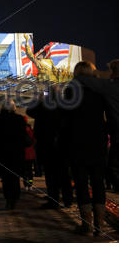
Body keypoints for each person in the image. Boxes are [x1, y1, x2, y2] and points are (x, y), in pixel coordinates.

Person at [62, 61, 108, 235]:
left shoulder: (70, 90)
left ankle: (86, 225)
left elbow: (65, 119)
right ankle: (100, 226)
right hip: (98, 141)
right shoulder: (100, 90)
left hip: (77, 142)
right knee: (98, 183)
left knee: (81, 183)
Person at [76, 59, 119, 192]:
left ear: (113, 72)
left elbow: (83, 78)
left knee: (114, 166)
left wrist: (90, 72)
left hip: (117, 131)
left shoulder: (110, 86)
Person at [26, 90, 73, 209]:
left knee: (50, 174)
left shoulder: (44, 105)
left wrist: (39, 100)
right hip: (62, 144)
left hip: (46, 144)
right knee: (64, 174)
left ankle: (54, 199)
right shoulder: (64, 105)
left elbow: (29, 111)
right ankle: (68, 199)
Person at [0, 99, 27, 210]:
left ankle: (8, 199)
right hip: (17, 153)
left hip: (3, 151)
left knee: (6, 178)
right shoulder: (20, 119)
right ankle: (15, 199)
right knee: (15, 178)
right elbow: (23, 135)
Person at [23, 117, 36, 190]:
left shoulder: (20, 130)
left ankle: (25, 185)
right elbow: (34, 140)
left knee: (24, 171)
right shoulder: (31, 130)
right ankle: (30, 184)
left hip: (23, 153)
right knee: (30, 170)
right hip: (30, 153)